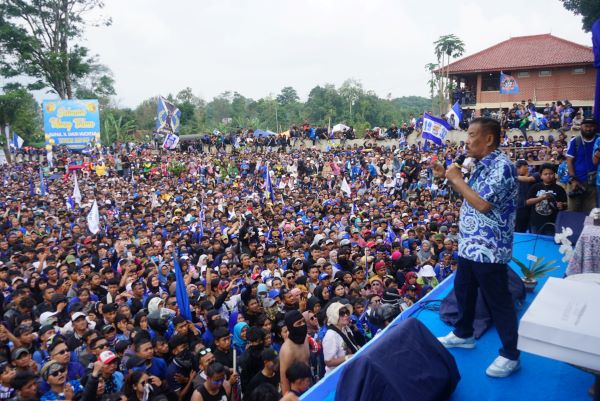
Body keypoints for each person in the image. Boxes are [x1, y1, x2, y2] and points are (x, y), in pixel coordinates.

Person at [434, 117, 521, 378]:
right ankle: (463, 334)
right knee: (464, 290)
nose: (467, 140)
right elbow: (469, 195)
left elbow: (483, 204)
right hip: (471, 244)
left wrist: (457, 179)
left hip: (490, 247)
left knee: (498, 301)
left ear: (489, 139)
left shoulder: (502, 167)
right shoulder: (481, 165)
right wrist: (448, 178)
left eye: (471, 135)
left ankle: (510, 354)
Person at [567, 118, 599, 213]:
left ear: (596, 127)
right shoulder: (575, 141)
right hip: (577, 183)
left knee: (592, 213)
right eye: (586, 126)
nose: (589, 129)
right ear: (581, 127)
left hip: (594, 184)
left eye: (591, 126)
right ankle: (574, 228)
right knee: (574, 211)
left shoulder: (599, 140)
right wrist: (573, 179)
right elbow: (569, 161)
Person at [526, 163, 567, 235]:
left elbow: (565, 204)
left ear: (554, 175)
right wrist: (540, 198)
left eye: (551, 173)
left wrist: (561, 205)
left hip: (552, 223)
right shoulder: (535, 187)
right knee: (535, 243)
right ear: (541, 176)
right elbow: (527, 202)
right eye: (545, 174)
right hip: (535, 223)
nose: (548, 176)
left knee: (549, 243)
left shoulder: (560, 189)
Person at [322, 302, 360, 375]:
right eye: (341, 313)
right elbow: (328, 362)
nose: (346, 315)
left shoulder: (346, 328)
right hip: (338, 376)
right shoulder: (330, 335)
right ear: (334, 316)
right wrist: (347, 357)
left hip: (350, 371)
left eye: (347, 312)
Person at [278, 311, 309, 395]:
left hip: (308, 385)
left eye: (303, 321)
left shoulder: (305, 338)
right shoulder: (287, 350)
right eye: (299, 323)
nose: (302, 325)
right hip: (296, 392)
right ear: (291, 327)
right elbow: (284, 380)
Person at [514, 159, 539, 233]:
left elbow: (528, 179)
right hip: (520, 206)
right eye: (517, 168)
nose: (517, 170)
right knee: (519, 229)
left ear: (526, 166)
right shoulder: (518, 177)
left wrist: (512, 176)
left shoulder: (535, 174)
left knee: (533, 229)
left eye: (519, 168)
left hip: (532, 206)